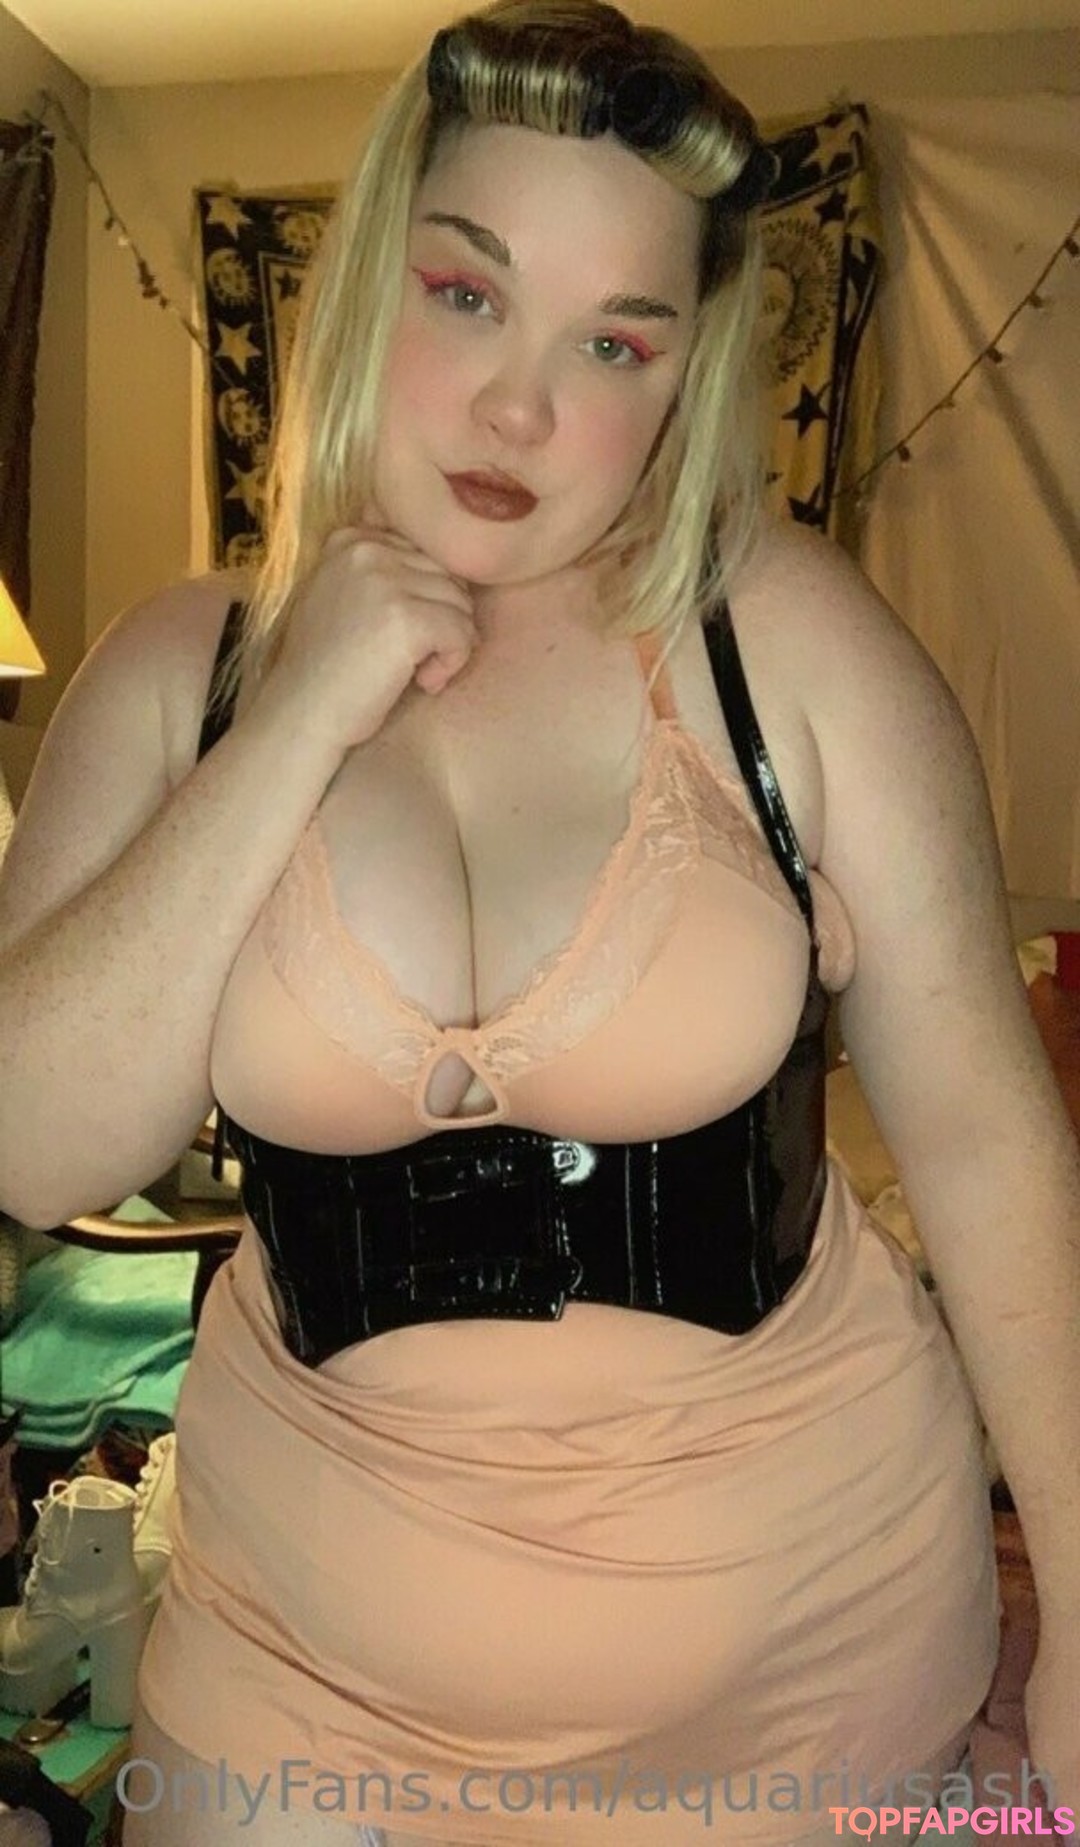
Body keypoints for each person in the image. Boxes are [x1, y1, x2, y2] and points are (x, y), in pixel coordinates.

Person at [0, 2, 1077, 1842]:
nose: (522, 407)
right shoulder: (183, 672)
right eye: (467, 293)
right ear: (369, 283)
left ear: (684, 378)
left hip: (808, 1671)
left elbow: (983, 1136)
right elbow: (34, 1145)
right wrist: (297, 720)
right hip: (295, 1679)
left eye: (615, 341)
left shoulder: (788, 645)